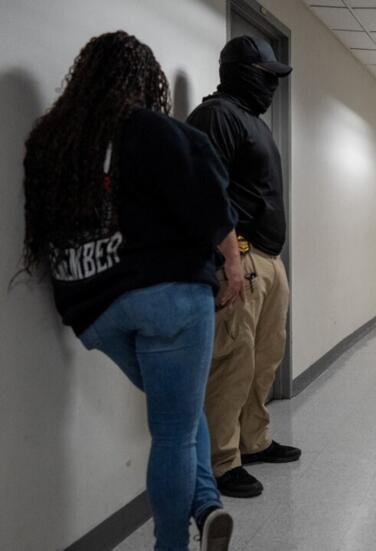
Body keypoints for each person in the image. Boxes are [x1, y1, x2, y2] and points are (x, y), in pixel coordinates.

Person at [21, 31, 237, 550]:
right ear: (144, 81)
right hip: (169, 300)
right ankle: (172, 543)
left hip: (93, 309)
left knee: (177, 415)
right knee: (173, 429)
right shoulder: (151, 129)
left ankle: (206, 505)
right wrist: (231, 262)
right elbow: (209, 197)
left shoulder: (53, 141)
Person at [187, 35, 300, 498]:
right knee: (233, 358)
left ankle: (255, 440)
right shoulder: (216, 117)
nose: (271, 87)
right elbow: (206, 193)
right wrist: (231, 259)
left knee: (265, 356)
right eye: (265, 76)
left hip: (268, 260)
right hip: (240, 258)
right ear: (239, 72)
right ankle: (222, 460)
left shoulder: (253, 121)